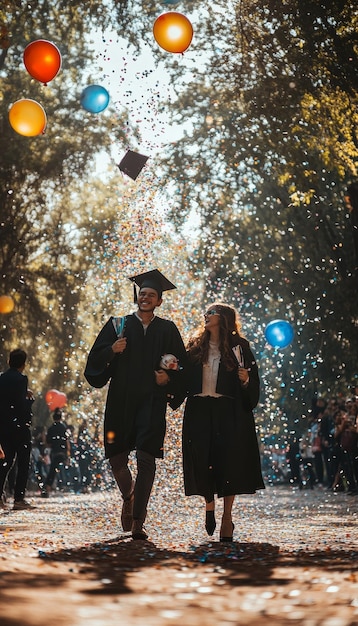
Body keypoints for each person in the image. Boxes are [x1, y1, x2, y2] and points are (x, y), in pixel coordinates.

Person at [85, 269, 187, 540]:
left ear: (159, 301)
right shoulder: (118, 325)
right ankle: (128, 495)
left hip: (152, 403)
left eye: (151, 295)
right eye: (142, 294)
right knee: (117, 459)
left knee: (146, 459)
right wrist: (111, 351)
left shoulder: (167, 329)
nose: (146, 298)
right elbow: (93, 361)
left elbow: (183, 367)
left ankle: (138, 522)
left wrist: (169, 378)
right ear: (137, 296)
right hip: (121, 401)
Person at [182, 303, 264, 542]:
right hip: (199, 409)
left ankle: (227, 517)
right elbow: (184, 378)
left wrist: (246, 379)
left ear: (224, 318)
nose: (206, 316)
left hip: (228, 411)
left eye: (212, 313)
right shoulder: (195, 347)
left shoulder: (240, 348)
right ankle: (209, 506)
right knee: (201, 458)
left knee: (227, 462)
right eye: (206, 313)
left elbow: (254, 382)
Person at [0, 348, 35, 510]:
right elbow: (20, 405)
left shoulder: (2, 378)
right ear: (23, 364)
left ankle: (0, 495)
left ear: (9, 361)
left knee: (5, 462)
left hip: (4, 428)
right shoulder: (22, 379)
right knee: (23, 462)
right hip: (20, 428)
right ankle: (19, 498)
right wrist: (29, 401)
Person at [44, 408, 71, 495]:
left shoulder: (51, 428)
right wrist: (68, 452)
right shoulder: (63, 427)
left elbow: (48, 442)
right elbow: (66, 440)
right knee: (66, 469)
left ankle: (48, 487)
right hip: (62, 452)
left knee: (52, 470)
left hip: (55, 452)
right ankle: (66, 486)